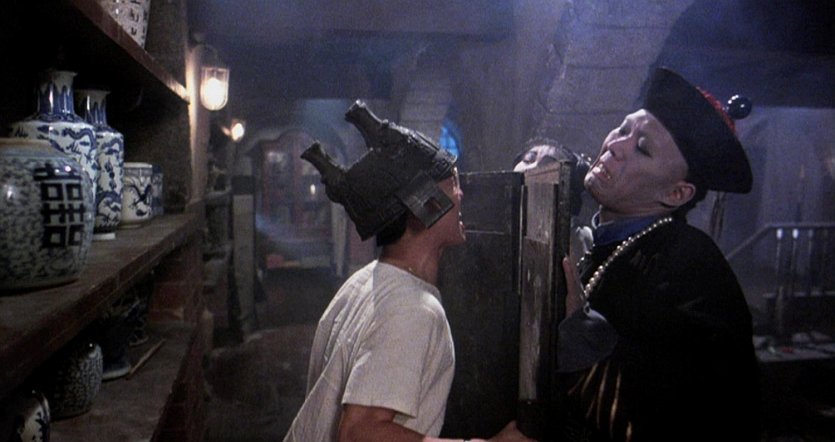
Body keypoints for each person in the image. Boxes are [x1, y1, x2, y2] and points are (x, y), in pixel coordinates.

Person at [284, 101, 534, 442]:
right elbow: (359, 433)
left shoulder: (361, 282)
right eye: (452, 183)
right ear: (424, 206)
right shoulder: (412, 310)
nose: (461, 194)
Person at [556, 68, 761, 441]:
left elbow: (687, 412)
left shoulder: (692, 269)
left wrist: (579, 330)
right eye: (623, 129)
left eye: (642, 148)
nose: (616, 145)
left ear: (676, 194)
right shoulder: (598, 239)